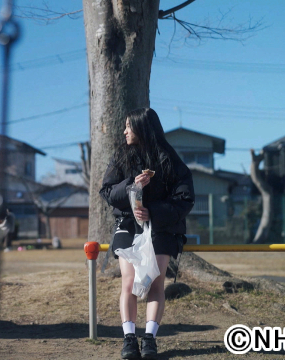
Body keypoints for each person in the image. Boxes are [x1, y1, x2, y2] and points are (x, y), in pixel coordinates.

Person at [99, 108, 194, 359]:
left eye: (129, 126)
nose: (125, 131)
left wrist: (153, 212)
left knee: (155, 282)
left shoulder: (169, 159)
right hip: (128, 224)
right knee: (129, 283)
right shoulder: (121, 156)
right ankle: (129, 339)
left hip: (162, 227)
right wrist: (132, 185)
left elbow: (185, 198)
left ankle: (149, 339)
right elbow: (107, 192)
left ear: (142, 127)